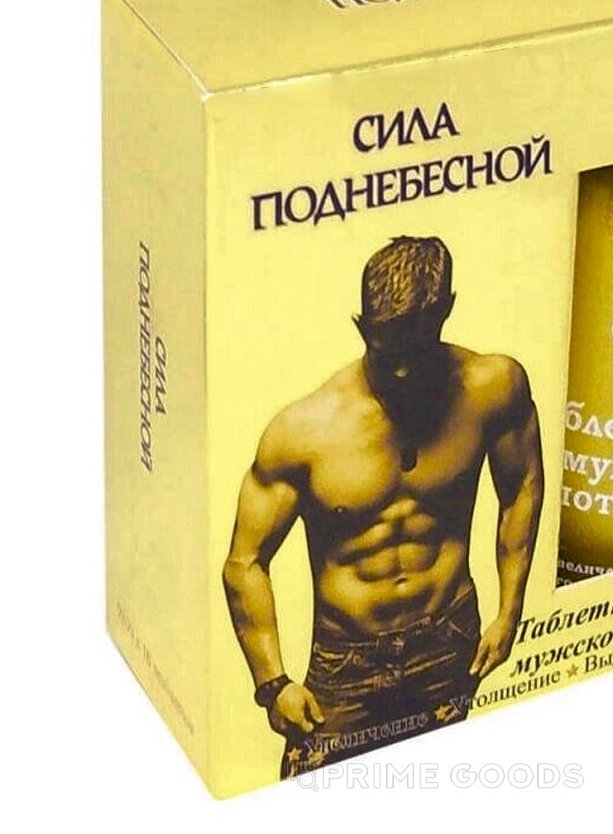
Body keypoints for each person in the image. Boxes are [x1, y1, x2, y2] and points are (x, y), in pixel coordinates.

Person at [222, 235, 544, 777]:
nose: (399, 374)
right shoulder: (306, 430)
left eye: (415, 356)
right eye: (385, 354)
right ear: (362, 327)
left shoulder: (493, 388)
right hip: (348, 661)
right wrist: (272, 682)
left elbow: (520, 490)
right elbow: (244, 562)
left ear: (446, 312)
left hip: (448, 639)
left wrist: (509, 613)